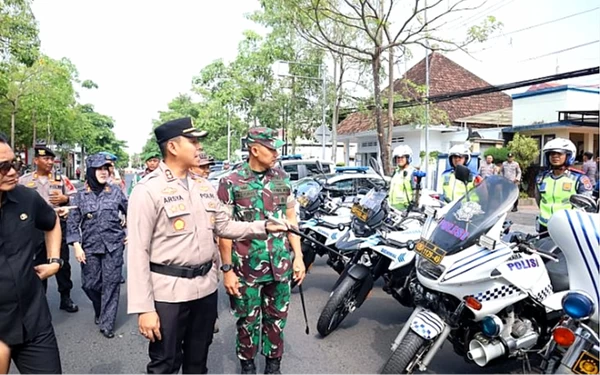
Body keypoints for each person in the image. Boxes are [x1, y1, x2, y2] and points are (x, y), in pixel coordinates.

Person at [127, 118, 290, 375]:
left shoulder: (203, 186)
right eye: (192, 141)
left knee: (198, 361)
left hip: (204, 290)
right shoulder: (148, 190)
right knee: (164, 364)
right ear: (172, 147)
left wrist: (263, 227)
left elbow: (225, 226)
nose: (198, 147)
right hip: (168, 294)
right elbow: (137, 252)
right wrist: (144, 308)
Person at [217, 127, 306, 375]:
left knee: (277, 320)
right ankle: (247, 366)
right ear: (254, 150)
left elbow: (291, 219)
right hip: (245, 268)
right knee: (247, 321)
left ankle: (273, 366)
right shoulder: (230, 182)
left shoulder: (282, 178)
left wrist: (297, 257)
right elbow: (222, 230)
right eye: (272, 148)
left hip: (279, 265)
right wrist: (227, 270)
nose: (276, 153)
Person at [0, 135, 64, 374]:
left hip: (33, 319)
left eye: (14, 164)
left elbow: (52, 221)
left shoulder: (26, 198)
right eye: (3, 167)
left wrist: (54, 260)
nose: (12, 172)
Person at [66, 153, 128, 339]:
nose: (103, 172)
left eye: (105, 169)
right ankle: (100, 308)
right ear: (91, 171)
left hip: (113, 246)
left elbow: (132, 211)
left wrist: (130, 232)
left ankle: (107, 322)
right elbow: (72, 222)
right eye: (99, 169)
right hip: (90, 247)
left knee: (111, 284)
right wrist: (76, 245)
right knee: (90, 284)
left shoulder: (115, 191)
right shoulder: (79, 196)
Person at [19, 146, 79, 313]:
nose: (50, 162)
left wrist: (65, 198)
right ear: (36, 160)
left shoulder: (61, 179)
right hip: (34, 229)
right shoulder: (24, 181)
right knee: (38, 263)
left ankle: (65, 297)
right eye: (46, 159)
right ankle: (39, 298)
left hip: (57, 226)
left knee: (62, 263)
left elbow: (77, 197)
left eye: (52, 159)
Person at [536, 138, 593, 233]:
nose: (555, 156)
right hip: (544, 226)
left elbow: (586, 206)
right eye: (552, 153)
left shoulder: (579, 179)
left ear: (569, 156)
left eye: (559, 153)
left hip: (567, 227)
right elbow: (539, 199)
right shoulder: (542, 178)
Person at [388, 145, 418, 210]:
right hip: (393, 207)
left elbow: (417, 191)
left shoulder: (413, 172)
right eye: (397, 157)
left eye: (402, 157)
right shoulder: (396, 172)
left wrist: (414, 206)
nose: (399, 159)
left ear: (408, 158)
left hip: (406, 208)